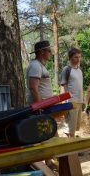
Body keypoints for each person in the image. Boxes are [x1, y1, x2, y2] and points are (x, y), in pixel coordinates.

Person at [26, 40, 57, 171]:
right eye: (49, 50)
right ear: (42, 52)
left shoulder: (40, 66)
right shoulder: (35, 66)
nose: (51, 53)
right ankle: (42, 165)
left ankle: (48, 162)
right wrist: (39, 107)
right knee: (43, 134)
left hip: (43, 106)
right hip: (39, 108)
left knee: (48, 133)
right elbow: (33, 88)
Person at [60, 48, 83, 137]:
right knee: (69, 128)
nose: (78, 59)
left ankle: (72, 147)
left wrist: (83, 101)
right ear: (70, 58)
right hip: (70, 102)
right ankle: (67, 148)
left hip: (79, 101)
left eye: (79, 57)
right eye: (76, 57)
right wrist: (63, 103)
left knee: (75, 127)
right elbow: (62, 86)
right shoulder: (67, 69)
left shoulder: (79, 70)